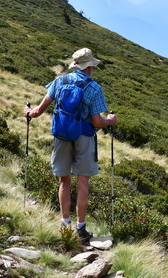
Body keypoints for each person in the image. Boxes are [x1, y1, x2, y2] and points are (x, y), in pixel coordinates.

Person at [23, 48, 117, 244]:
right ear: (89, 67)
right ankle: (80, 229)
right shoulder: (93, 87)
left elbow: (39, 111)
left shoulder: (60, 81)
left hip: (62, 135)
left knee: (64, 181)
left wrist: (28, 112)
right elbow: (97, 122)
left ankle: (64, 224)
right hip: (83, 136)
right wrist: (110, 121)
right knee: (83, 182)